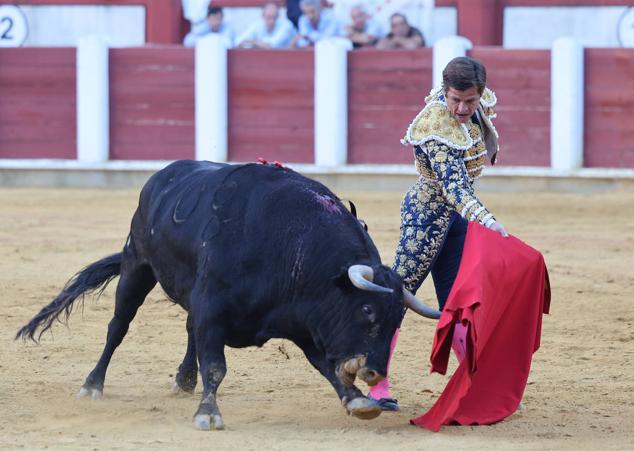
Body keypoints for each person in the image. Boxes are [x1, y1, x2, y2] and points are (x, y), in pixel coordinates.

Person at [368, 56, 508, 411]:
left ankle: (477, 381)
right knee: (398, 294)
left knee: (460, 300)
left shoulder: (477, 101)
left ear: (481, 93)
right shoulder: (436, 126)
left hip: (455, 221)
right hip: (427, 215)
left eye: (470, 101)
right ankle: (376, 383)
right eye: (455, 99)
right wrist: (488, 221)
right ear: (444, 92)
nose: (461, 108)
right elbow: (456, 189)